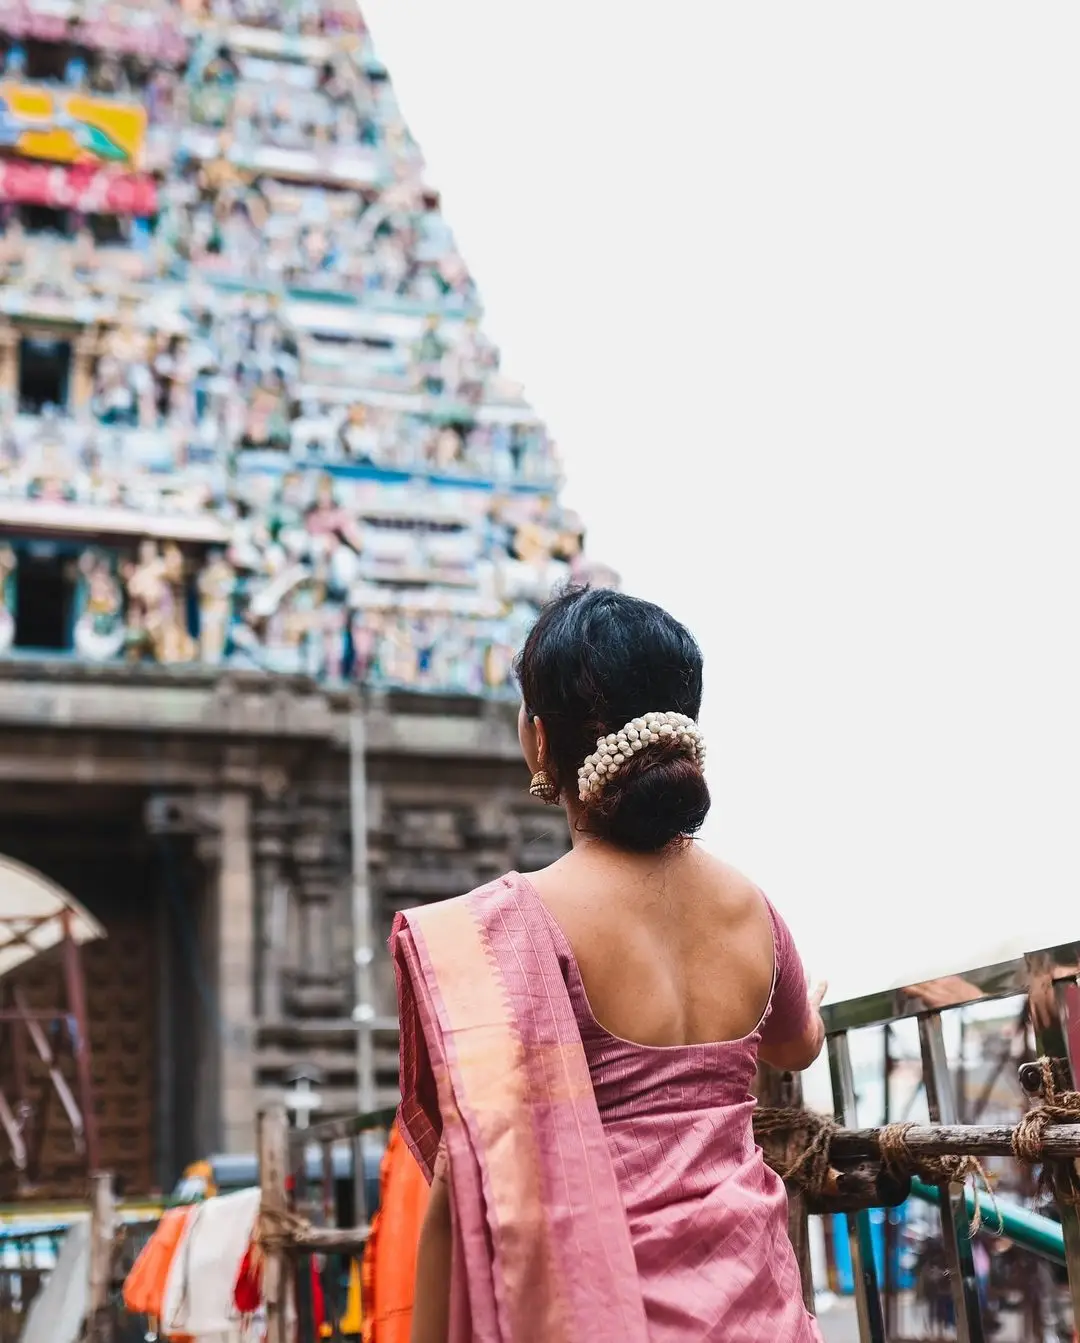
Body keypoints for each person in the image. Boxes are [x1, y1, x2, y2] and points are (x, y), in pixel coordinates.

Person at [392, 586, 828, 1343]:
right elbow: (796, 1045)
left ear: (537, 741)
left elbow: (462, 1186)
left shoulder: (505, 932)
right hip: (762, 1315)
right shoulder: (750, 909)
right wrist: (808, 999)